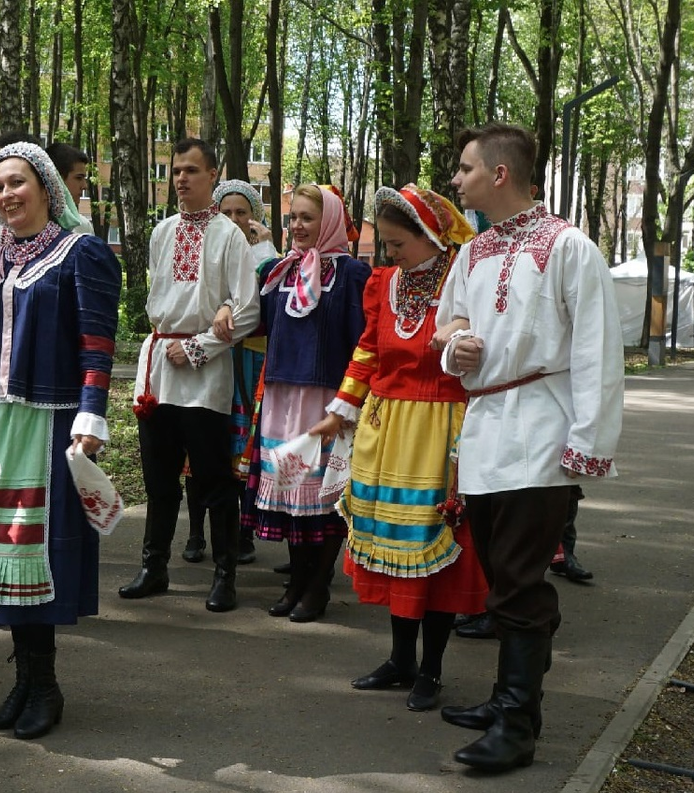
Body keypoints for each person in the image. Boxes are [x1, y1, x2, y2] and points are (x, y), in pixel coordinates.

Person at [436, 123, 624, 772]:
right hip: (487, 429)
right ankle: (506, 697)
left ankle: (518, 722)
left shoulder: (571, 248)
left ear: (499, 174)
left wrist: (587, 443)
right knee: (499, 575)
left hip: (542, 430)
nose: (455, 179)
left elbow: (600, 351)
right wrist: (456, 341)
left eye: (463, 168)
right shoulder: (474, 251)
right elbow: (449, 322)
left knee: (519, 581)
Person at [0, 142, 121, 740]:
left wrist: (91, 417)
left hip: (50, 419)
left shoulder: (82, 254)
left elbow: (98, 344)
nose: (5, 196)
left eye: (17, 183)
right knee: (7, 556)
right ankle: (24, 681)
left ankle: (44, 686)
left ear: (47, 187)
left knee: (37, 554)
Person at [309, 184, 486, 707]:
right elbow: (367, 350)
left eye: (397, 244)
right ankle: (400, 660)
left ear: (431, 237)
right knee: (392, 547)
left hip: (440, 428)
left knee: (437, 549)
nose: (389, 254)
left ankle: (431, 669)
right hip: (385, 429)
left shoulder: (463, 285)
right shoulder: (383, 284)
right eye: (385, 244)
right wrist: (340, 410)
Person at [118, 137, 261, 612]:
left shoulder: (229, 235)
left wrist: (199, 346)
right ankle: (153, 566)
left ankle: (225, 576)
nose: (181, 178)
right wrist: (169, 345)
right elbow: (155, 302)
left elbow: (247, 311)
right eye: (176, 170)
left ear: (212, 176)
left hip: (205, 373)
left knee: (214, 479)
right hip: (159, 367)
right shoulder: (161, 233)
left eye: (191, 171)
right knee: (159, 479)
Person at [240, 184, 369, 622]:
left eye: (307, 218)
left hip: (326, 400)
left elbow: (362, 341)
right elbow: (256, 322)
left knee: (324, 500)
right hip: (281, 396)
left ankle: (318, 588)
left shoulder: (352, 275)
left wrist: (351, 405)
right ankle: (295, 582)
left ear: (329, 221)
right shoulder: (278, 272)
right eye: (292, 217)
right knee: (292, 492)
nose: (296, 225)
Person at [182, 179, 277, 566]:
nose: (236, 219)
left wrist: (265, 249)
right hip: (211, 358)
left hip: (251, 363)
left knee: (242, 450)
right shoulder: (205, 252)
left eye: (243, 212)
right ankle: (194, 532)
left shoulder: (270, 258)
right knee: (198, 446)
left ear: (254, 218)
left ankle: (243, 533)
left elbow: (269, 310)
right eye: (227, 212)